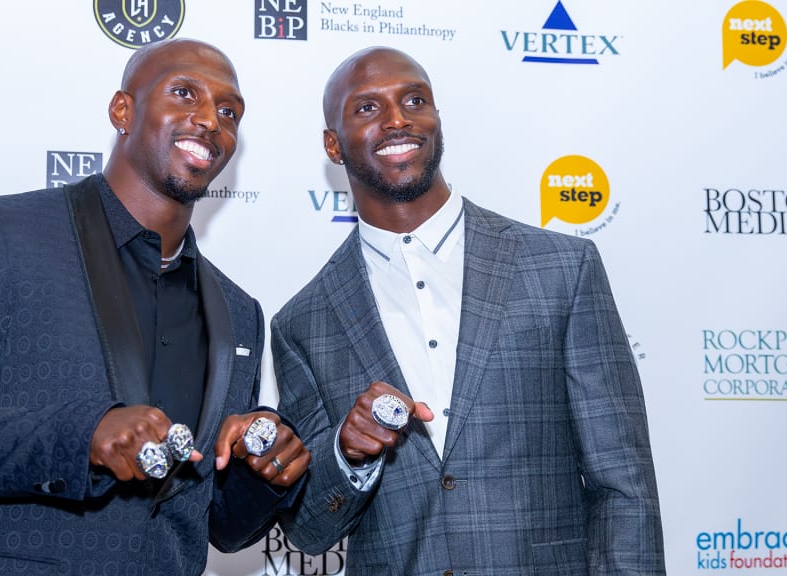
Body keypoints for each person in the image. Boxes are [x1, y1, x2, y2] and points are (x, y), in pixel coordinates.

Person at [0, 38, 309, 576]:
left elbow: (219, 526)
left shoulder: (239, 310)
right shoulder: (6, 235)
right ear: (123, 110)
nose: (210, 119)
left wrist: (262, 470)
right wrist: (83, 439)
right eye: (185, 92)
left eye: (229, 111)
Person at [271, 46, 665, 574]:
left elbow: (624, 485)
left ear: (437, 119)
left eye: (415, 100)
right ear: (332, 145)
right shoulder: (303, 321)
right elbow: (310, 530)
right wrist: (347, 455)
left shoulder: (560, 268)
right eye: (367, 108)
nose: (397, 120)